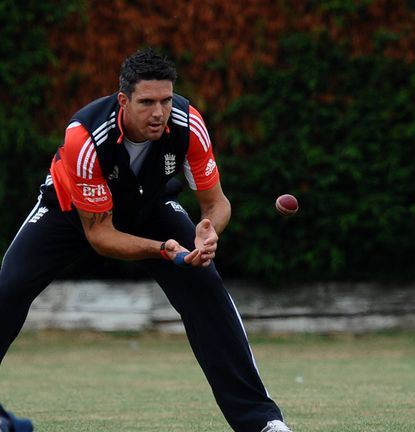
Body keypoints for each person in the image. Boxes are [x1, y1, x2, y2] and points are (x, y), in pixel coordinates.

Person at [0, 49, 292, 432]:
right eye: (147, 102)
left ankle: (262, 422)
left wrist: (208, 230)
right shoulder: (84, 138)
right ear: (124, 101)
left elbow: (216, 203)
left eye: (166, 100)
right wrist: (163, 250)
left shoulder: (188, 124)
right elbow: (100, 236)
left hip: (150, 204)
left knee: (206, 286)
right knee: (8, 289)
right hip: (70, 211)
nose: (159, 112)